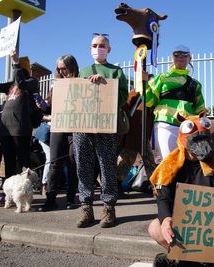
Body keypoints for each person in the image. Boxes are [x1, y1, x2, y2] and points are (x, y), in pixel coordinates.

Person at [148, 112, 214, 267]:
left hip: (208, 227)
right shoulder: (170, 166)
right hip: (180, 224)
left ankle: (200, 258)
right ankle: (179, 256)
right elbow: (163, 198)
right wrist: (166, 220)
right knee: (155, 228)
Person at [73, 34, 128, 228]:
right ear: (90, 49)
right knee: (83, 167)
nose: (98, 48)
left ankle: (108, 207)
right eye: (95, 45)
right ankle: (86, 206)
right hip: (83, 127)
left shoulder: (116, 71)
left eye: (102, 45)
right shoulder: (83, 71)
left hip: (106, 126)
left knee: (107, 166)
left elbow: (123, 98)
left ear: (109, 49)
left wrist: (104, 85)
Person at [0, 50, 39, 206]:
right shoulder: (10, 85)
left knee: (22, 163)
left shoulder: (31, 82)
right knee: (8, 163)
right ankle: (8, 196)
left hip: (20, 129)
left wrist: (16, 62)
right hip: (5, 130)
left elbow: (21, 82)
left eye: (19, 67)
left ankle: (25, 193)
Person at [145, 45, 205, 163]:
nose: (181, 57)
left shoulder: (195, 84)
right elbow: (149, 101)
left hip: (188, 127)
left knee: (186, 163)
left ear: (190, 58)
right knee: (167, 162)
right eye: (177, 54)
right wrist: (144, 84)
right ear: (172, 57)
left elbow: (200, 110)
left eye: (184, 54)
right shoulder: (162, 78)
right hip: (165, 124)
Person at [38, 55, 80, 211]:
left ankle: (71, 199)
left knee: (73, 163)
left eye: (65, 68)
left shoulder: (80, 83)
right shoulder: (55, 86)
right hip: (58, 126)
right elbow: (50, 108)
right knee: (55, 163)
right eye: (59, 69)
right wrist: (43, 106)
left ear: (72, 66)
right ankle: (50, 199)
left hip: (75, 128)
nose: (62, 71)